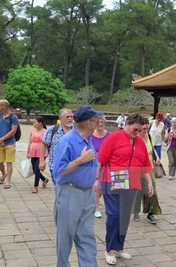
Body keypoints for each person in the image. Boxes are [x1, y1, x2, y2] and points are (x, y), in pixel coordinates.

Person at [97, 114, 154, 265]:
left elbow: (145, 164)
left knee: (124, 216)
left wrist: (149, 183)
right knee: (114, 214)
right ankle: (109, 248)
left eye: (140, 130)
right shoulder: (113, 138)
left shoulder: (139, 142)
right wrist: (96, 180)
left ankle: (119, 246)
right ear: (127, 124)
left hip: (132, 181)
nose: (137, 132)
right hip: (113, 178)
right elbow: (101, 160)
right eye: (135, 129)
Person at [52, 106, 102, 267]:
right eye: (96, 120)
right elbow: (58, 172)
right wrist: (80, 160)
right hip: (69, 193)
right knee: (65, 237)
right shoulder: (67, 141)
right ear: (88, 123)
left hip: (87, 193)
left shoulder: (88, 139)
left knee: (86, 235)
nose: (99, 122)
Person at [132, 117, 162, 224]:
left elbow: (152, 149)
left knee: (151, 190)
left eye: (147, 128)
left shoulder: (149, 136)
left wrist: (157, 157)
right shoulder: (134, 138)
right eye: (143, 129)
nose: (145, 131)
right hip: (137, 168)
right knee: (137, 191)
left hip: (149, 167)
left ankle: (151, 212)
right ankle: (135, 212)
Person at [39, 108, 74, 185]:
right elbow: (43, 144)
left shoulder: (77, 131)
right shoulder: (52, 129)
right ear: (60, 118)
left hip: (73, 167)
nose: (70, 119)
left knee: (71, 192)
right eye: (67, 117)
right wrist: (42, 161)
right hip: (56, 166)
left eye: (71, 117)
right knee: (59, 189)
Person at [0, 99, 19, 189]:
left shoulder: (13, 117)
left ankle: (8, 180)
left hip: (10, 143)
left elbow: (13, 130)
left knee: (9, 162)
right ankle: (3, 174)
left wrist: (3, 138)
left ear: (4, 106)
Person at [91, 117, 110, 218]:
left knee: (103, 187)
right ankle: (96, 207)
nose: (100, 124)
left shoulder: (109, 135)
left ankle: (94, 203)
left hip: (106, 164)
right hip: (94, 163)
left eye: (102, 122)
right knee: (97, 187)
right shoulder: (91, 135)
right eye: (98, 122)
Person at [27, 116, 49, 193]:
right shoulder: (32, 130)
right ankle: (44, 179)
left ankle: (35, 186)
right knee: (34, 169)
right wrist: (28, 151)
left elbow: (48, 143)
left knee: (37, 169)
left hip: (42, 152)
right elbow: (30, 142)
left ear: (40, 123)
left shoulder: (46, 132)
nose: (34, 124)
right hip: (33, 151)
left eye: (35, 122)